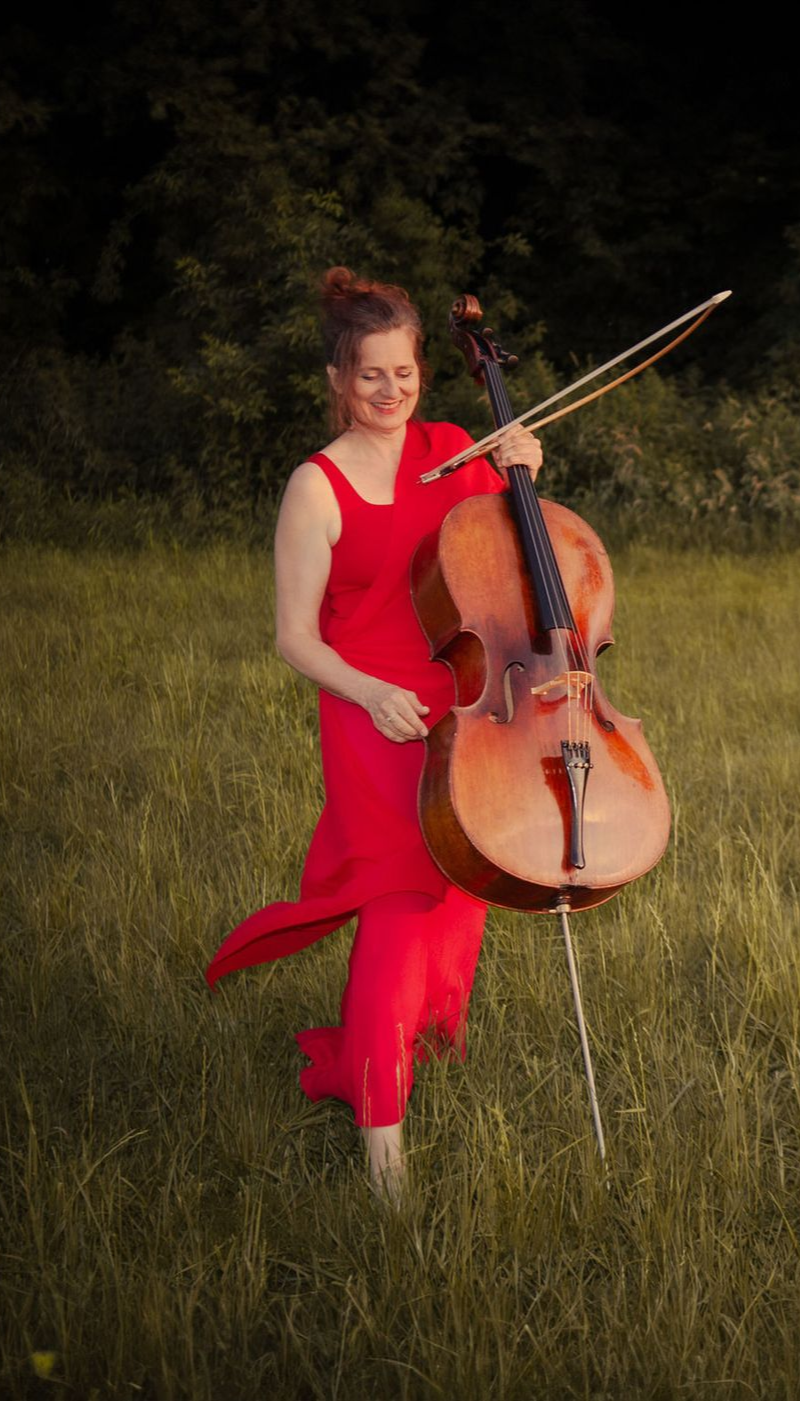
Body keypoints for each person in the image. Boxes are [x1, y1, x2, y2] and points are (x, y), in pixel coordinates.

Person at [206, 267, 542, 1198]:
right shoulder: (312, 488)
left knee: (458, 883)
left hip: (455, 693)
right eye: (368, 377)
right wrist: (365, 690)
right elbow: (293, 637)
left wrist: (523, 474)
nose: (389, 393)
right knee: (398, 904)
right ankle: (382, 1147)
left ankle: (396, 1050)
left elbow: (510, 558)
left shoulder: (452, 449)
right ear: (334, 378)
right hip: (366, 710)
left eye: (402, 373)